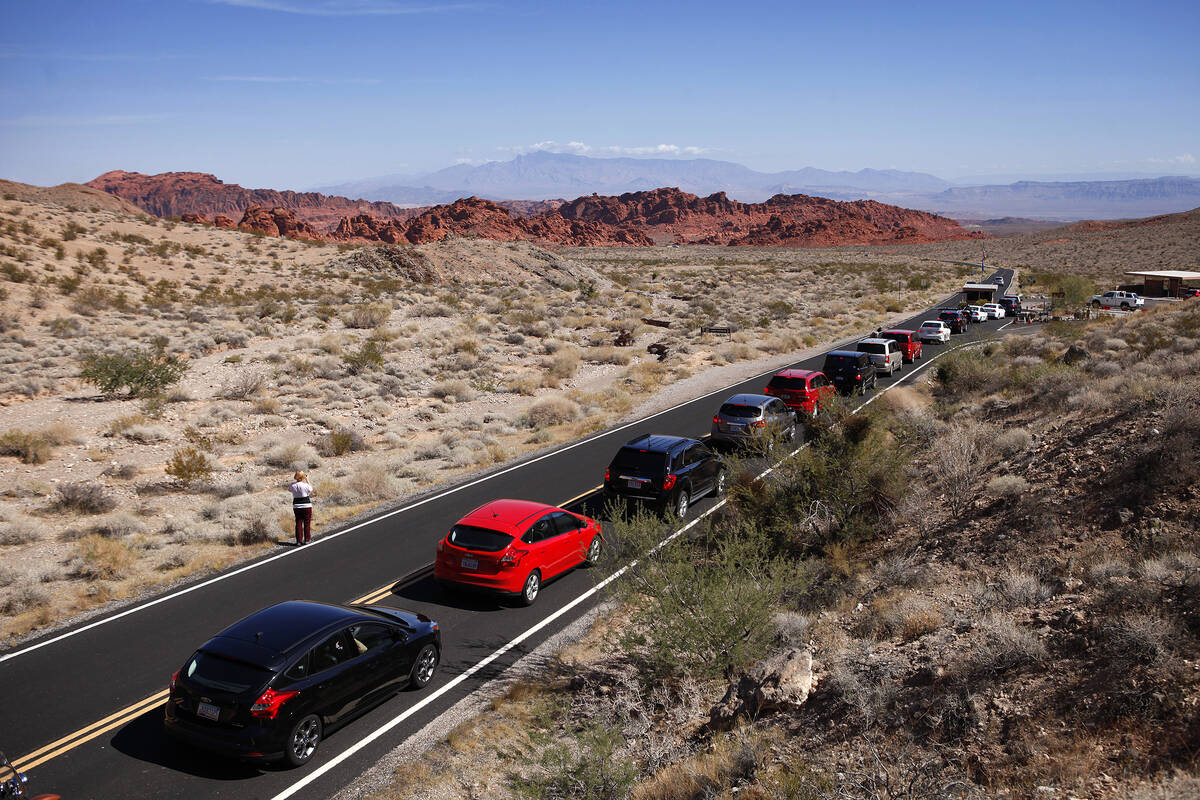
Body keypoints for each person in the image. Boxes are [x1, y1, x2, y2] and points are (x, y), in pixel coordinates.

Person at [290, 471, 313, 545]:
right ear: (302, 477)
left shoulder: (292, 485)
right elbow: (311, 489)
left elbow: (290, 490)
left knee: (298, 522)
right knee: (307, 522)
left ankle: (299, 540)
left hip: (296, 506)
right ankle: (307, 539)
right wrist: (307, 479)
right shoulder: (305, 485)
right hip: (306, 505)